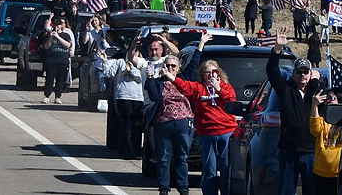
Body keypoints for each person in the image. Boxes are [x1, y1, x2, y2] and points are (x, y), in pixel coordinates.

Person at [144, 33, 208, 195]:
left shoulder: (184, 79)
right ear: (163, 68)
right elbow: (153, 96)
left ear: (178, 68)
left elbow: (194, 63)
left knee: (181, 157)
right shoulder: (158, 83)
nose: (171, 68)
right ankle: (164, 188)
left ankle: (183, 188)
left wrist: (201, 44)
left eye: (173, 66)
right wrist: (150, 77)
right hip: (163, 123)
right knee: (164, 158)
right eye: (168, 66)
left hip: (183, 124)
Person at [164, 57, 238, 195]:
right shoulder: (199, 88)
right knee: (209, 168)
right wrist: (171, 77)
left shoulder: (226, 87)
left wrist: (219, 89)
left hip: (226, 132)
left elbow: (231, 101)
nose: (210, 75)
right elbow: (185, 86)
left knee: (226, 166)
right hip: (207, 133)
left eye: (213, 71)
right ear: (202, 74)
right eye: (206, 72)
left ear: (219, 73)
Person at [268, 32, 323, 195]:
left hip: (311, 151)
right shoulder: (285, 89)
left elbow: (323, 97)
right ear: (293, 74)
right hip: (289, 150)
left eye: (306, 72)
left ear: (311, 74)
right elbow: (272, 72)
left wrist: (315, 81)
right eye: (299, 72)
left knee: (311, 190)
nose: (302, 76)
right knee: (286, 190)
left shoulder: (315, 91)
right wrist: (277, 49)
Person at [97, 40, 147, 160]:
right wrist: (104, 61)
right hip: (123, 97)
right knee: (126, 124)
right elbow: (109, 73)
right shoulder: (120, 62)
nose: (134, 53)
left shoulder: (143, 64)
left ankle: (136, 150)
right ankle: (126, 151)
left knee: (136, 125)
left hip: (138, 98)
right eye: (132, 51)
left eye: (136, 51)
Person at [309, 88, 342, 195]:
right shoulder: (322, 120)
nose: (328, 101)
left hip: (340, 174)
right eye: (326, 98)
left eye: (331, 98)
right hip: (320, 173)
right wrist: (314, 105)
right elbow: (314, 129)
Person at [41, 17, 74, 104]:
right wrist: (51, 37)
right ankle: (46, 96)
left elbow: (67, 45)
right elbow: (46, 47)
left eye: (59, 25)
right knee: (49, 79)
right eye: (56, 25)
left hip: (63, 60)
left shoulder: (66, 35)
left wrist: (58, 37)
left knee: (60, 80)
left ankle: (58, 96)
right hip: (51, 60)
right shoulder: (48, 35)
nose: (57, 26)